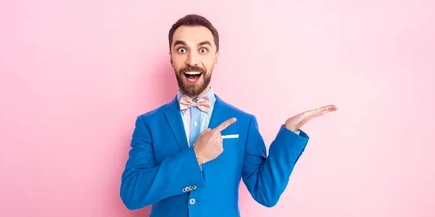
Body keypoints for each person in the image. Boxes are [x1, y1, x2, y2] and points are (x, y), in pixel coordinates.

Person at [119, 14, 337, 217]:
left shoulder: (244, 123)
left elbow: (266, 193)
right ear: (171, 58)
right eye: (182, 50)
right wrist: (195, 158)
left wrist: (289, 135)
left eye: (203, 50)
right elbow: (132, 194)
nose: (192, 60)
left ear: (216, 58)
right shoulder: (148, 124)